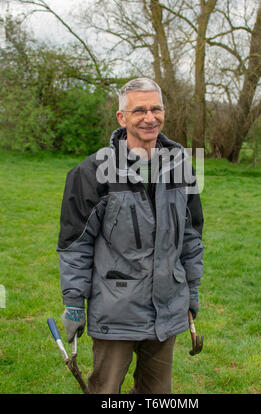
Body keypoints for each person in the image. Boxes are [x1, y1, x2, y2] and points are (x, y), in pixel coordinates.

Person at [57, 78, 204, 394]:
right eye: (139, 110)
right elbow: (75, 245)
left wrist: (192, 288)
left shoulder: (182, 166)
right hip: (115, 310)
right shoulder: (91, 172)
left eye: (156, 108)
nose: (150, 117)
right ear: (122, 118)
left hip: (167, 307)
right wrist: (73, 302)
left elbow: (191, 236)